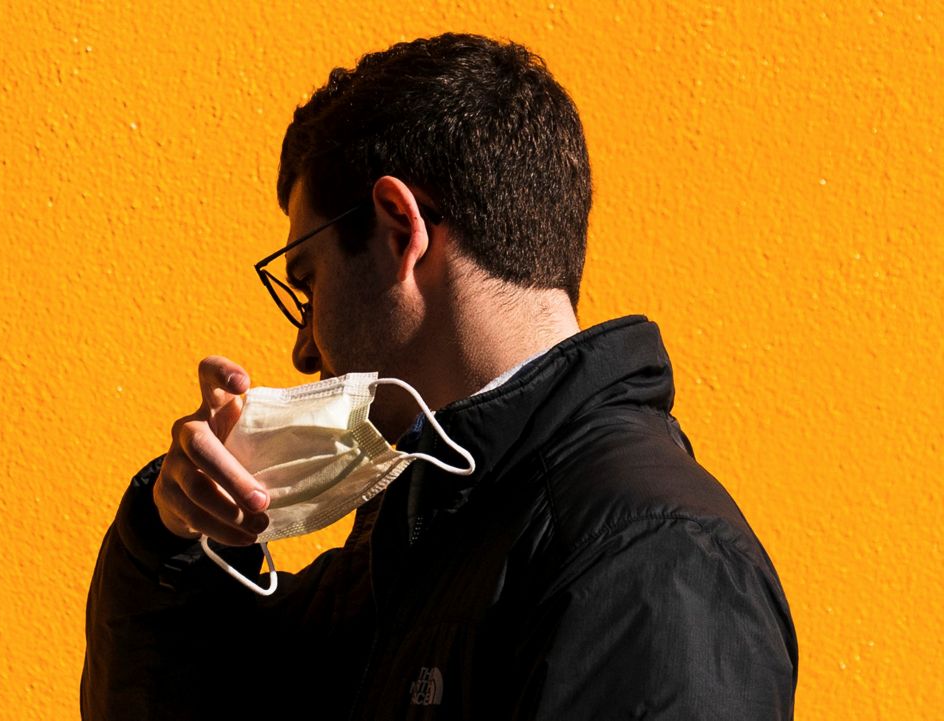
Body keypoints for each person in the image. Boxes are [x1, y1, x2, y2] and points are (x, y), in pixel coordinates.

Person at [81, 32, 797, 720]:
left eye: (307, 282)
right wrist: (170, 531)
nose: (303, 349)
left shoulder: (653, 562)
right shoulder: (425, 531)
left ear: (399, 227)